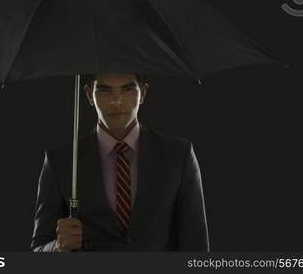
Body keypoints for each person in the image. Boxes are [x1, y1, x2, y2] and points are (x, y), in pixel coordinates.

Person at [30, 72, 210, 251]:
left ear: (143, 93)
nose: (116, 100)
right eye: (104, 90)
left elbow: (197, 249)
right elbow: (37, 250)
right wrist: (56, 247)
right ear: (88, 94)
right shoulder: (61, 161)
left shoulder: (178, 155)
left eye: (127, 89)